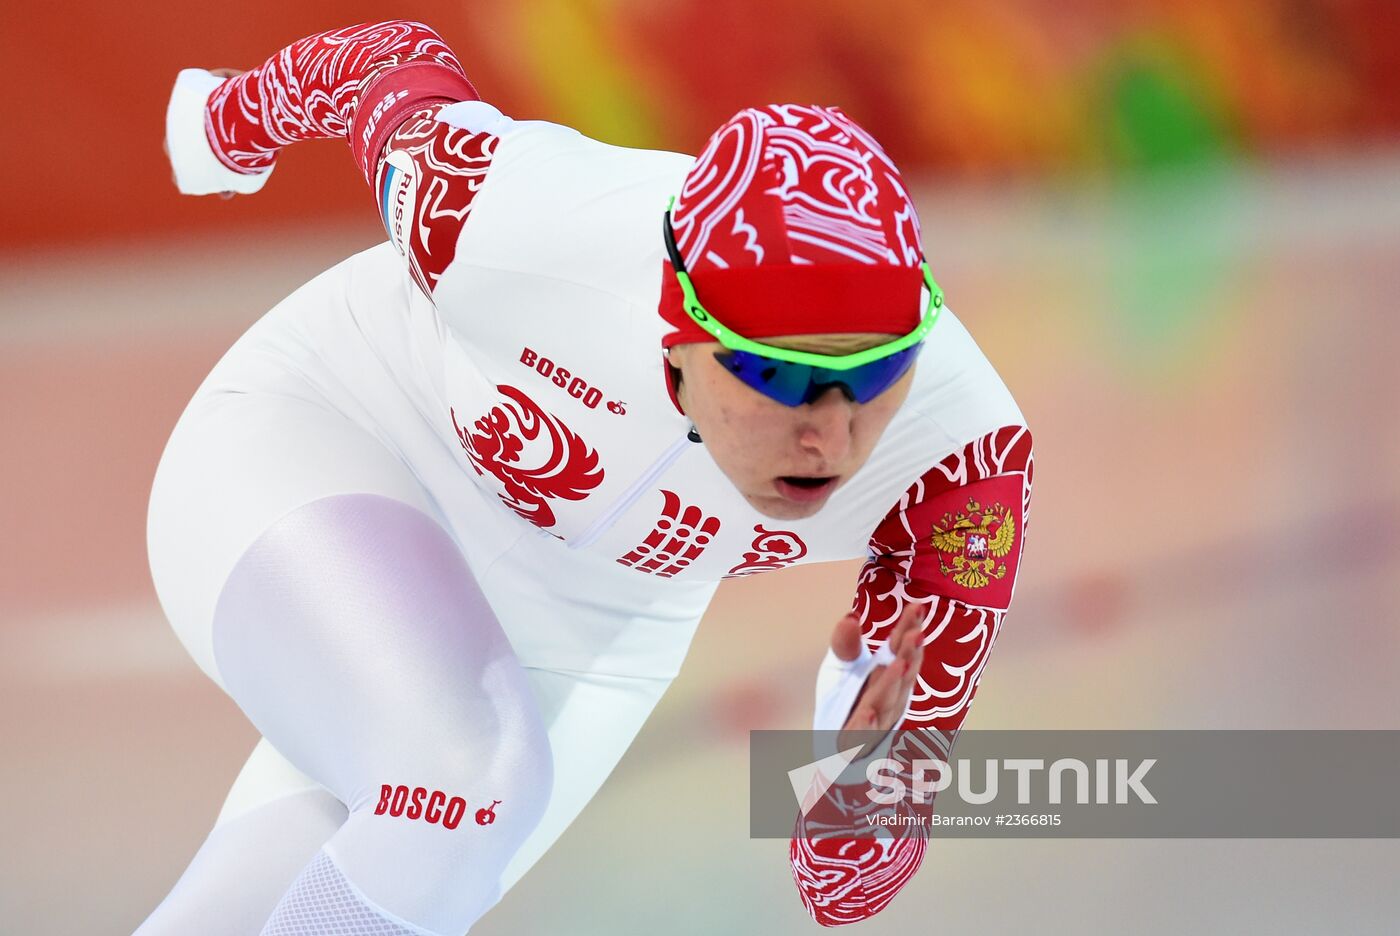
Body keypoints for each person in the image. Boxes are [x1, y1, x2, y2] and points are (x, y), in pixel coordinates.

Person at [140, 20, 1034, 935]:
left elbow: (841, 895)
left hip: (587, 626)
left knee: (375, 874)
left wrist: (857, 792)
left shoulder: (962, 468)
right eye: (779, 375)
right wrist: (217, 127)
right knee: (466, 782)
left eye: (880, 372)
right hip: (341, 433)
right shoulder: (510, 217)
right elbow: (385, 61)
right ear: (677, 325)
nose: (832, 436)